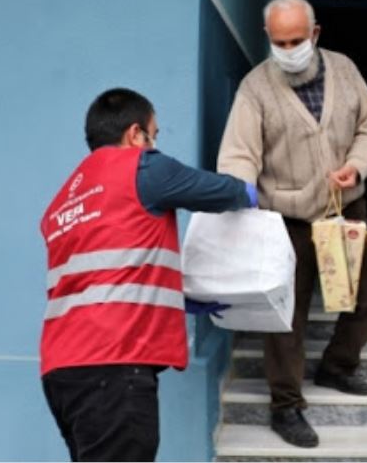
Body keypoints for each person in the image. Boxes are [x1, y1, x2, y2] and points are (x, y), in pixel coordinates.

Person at [39, 88, 256, 461]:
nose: (153, 144)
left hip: (62, 369)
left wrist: (178, 298)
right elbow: (221, 192)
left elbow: (104, 273)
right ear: (136, 134)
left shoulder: (65, 201)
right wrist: (253, 192)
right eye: (154, 135)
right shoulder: (143, 167)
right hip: (113, 364)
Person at [217, 0, 367, 448]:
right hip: (284, 218)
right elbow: (238, 155)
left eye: (296, 39)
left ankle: (337, 366)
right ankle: (285, 405)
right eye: (279, 42)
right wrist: (241, 206)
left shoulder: (345, 69)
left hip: (345, 206)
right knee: (285, 317)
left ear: (315, 34)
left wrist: (356, 165)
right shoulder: (256, 88)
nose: (289, 49)